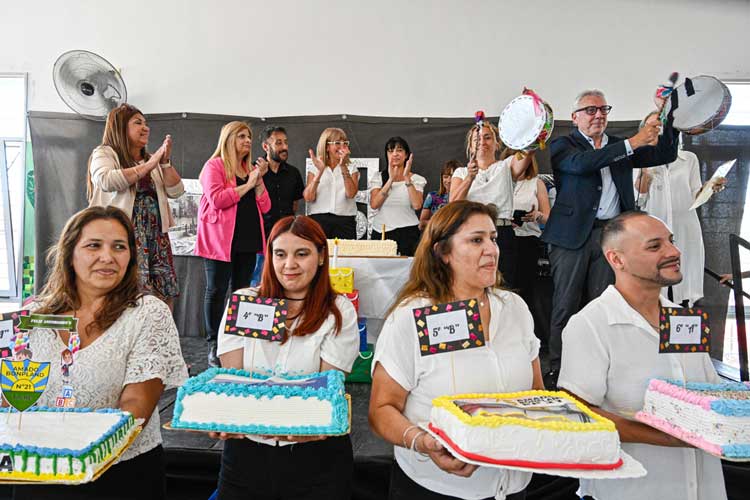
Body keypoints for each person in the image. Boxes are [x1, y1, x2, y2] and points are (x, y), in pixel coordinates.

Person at [369, 200, 543, 500]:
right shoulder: (411, 317)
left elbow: (536, 390)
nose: (491, 249)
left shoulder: (515, 308)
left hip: (513, 487)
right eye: (476, 240)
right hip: (435, 488)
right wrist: (423, 442)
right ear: (442, 252)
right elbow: (381, 409)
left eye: (493, 238)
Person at [13, 206, 188, 500]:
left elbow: (136, 407)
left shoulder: (148, 314)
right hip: (37, 475)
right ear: (70, 252)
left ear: (131, 256)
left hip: (119, 476)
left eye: (119, 247)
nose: (107, 257)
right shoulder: (31, 317)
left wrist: (71, 453)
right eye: (94, 245)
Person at [558, 211, 726, 500]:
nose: (674, 252)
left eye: (671, 242)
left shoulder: (685, 319)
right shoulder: (590, 325)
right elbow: (578, 415)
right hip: (632, 490)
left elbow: (709, 391)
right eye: (654, 246)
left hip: (704, 487)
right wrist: (670, 437)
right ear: (616, 259)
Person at [213, 215, 359, 500]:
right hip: (246, 454)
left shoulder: (338, 310)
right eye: (280, 254)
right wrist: (222, 416)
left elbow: (326, 387)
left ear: (320, 256)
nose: (289, 265)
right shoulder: (245, 301)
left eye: (301, 254)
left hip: (315, 456)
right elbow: (233, 379)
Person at [541, 89, 679, 387]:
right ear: (575, 117)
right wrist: (634, 142)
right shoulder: (563, 145)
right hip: (571, 238)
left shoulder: (620, 146)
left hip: (614, 238)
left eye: (603, 109)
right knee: (565, 305)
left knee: (605, 304)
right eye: (590, 110)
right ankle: (558, 371)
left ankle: (602, 369)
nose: (599, 115)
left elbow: (666, 153)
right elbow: (583, 164)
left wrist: (668, 116)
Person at [87, 103, 185, 308]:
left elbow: (176, 191)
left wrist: (164, 162)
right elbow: (106, 180)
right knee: (126, 293)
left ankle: (160, 336)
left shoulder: (152, 159)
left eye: (146, 123)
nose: (146, 128)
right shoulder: (105, 153)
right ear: (120, 127)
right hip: (123, 237)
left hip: (156, 238)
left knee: (162, 293)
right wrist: (150, 164)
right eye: (138, 123)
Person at [195, 121, 271, 367]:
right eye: (241, 136)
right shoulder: (213, 166)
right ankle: (214, 344)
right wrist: (248, 184)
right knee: (216, 291)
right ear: (228, 139)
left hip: (247, 236)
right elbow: (217, 199)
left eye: (248, 136)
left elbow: (266, 206)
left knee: (241, 291)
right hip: (220, 240)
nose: (247, 141)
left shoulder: (249, 169)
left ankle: (239, 341)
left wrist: (258, 183)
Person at [634, 112, 725, 306]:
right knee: (656, 283)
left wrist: (711, 187)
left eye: (663, 127)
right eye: (653, 127)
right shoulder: (638, 159)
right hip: (654, 229)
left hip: (686, 226)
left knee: (685, 281)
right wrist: (645, 174)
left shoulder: (688, 158)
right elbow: (639, 202)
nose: (658, 131)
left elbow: (696, 196)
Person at [450, 122, 534, 289]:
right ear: (471, 146)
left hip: (501, 233)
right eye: (477, 139)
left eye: (488, 137)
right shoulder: (461, 172)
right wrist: (469, 178)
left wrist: (533, 122)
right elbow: (453, 205)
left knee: (503, 288)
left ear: (497, 144)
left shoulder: (507, 165)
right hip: (470, 233)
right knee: (472, 285)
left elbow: (528, 150)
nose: (482, 142)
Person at [511, 154, 550, 339]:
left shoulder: (536, 183)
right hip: (505, 238)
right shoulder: (501, 181)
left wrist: (536, 216)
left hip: (528, 239)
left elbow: (548, 217)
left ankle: (529, 335)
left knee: (526, 288)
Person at [369, 137, 426, 256]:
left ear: (406, 155)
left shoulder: (417, 179)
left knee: (407, 270)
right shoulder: (379, 177)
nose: (395, 154)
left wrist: (406, 178)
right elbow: (374, 204)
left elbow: (417, 205)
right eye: (390, 151)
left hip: (408, 231)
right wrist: (390, 180)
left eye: (399, 150)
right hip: (382, 231)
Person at [304, 128, 360, 239]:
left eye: (345, 143)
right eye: (337, 143)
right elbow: (308, 197)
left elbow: (351, 194)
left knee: (345, 255)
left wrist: (343, 166)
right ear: (327, 147)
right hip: (318, 221)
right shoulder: (314, 167)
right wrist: (320, 171)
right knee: (320, 255)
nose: (342, 147)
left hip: (345, 222)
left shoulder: (351, 167)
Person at [260, 125, 304, 232]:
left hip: (287, 233)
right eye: (279, 143)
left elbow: (295, 205)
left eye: (286, 142)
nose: (284, 147)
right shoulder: (254, 171)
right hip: (260, 234)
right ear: (266, 147)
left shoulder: (294, 173)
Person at [419, 160, 459, 230]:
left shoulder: (468, 196)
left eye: (453, 177)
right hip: (437, 237)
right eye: (446, 177)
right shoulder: (432, 196)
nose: (449, 181)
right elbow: (421, 224)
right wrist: (442, 223)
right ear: (441, 178)